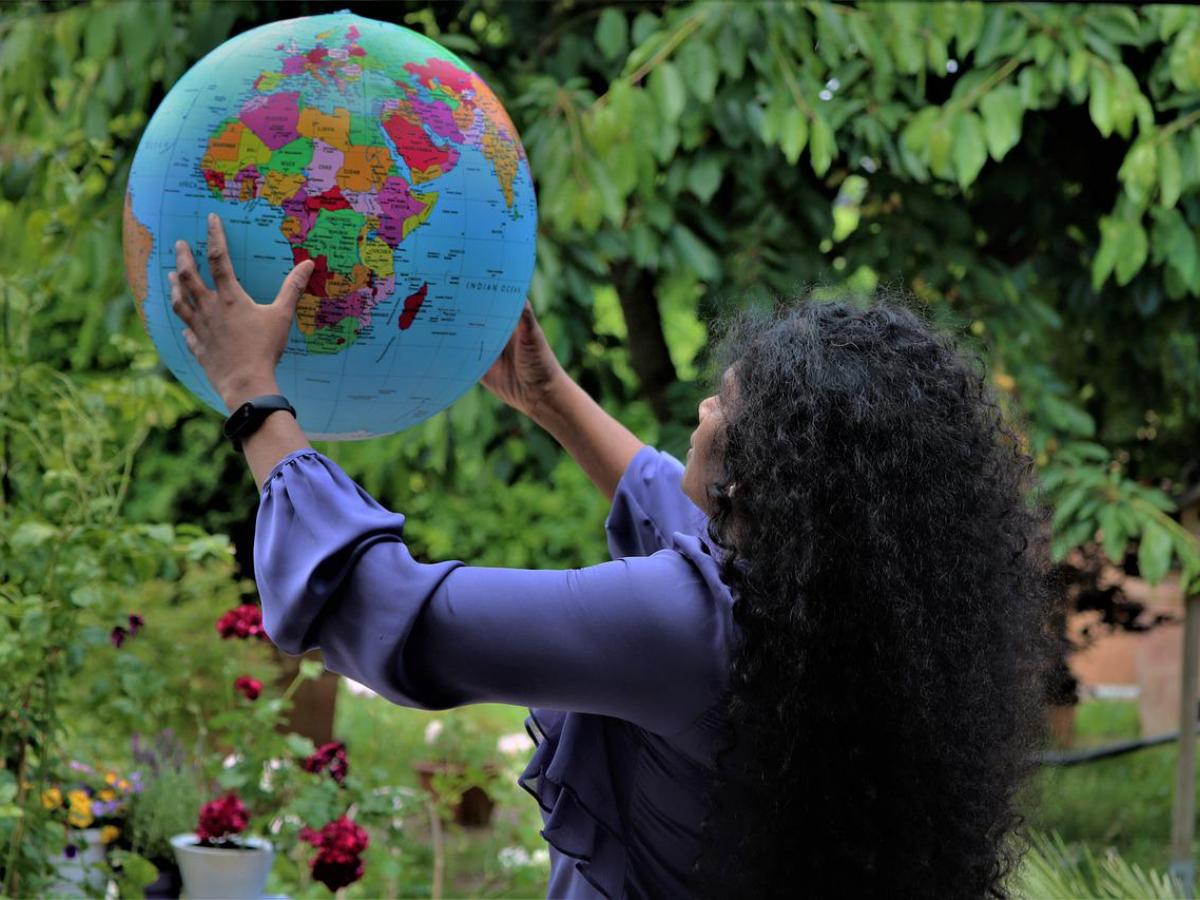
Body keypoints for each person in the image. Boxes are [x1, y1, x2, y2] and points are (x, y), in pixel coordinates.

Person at [171, 214, 1052, 899]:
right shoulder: (842, 622)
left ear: (764, 477)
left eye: (725, 403)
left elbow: (388, 611)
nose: (705, 406)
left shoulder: (684, 627)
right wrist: (551, 400)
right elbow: (678, 503)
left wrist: (251, 394)